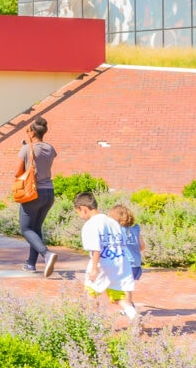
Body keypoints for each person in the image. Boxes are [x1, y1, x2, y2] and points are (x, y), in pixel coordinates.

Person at [74, 192, 139, 324]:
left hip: (102, 263)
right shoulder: (112, 222)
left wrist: (94, 269)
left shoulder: (91, 225)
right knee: (118, 297)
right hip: (119, 261)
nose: (79, 216)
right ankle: (133, 315)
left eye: (78, 212)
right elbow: (122, 243)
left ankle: (95, 323)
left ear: (83, 208)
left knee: (91, 293)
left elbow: (96, 248)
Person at [16, 116, 59, 277]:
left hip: (33, 192)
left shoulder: (27, 149)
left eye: (28, 130)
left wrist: (26, 153)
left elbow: (18, 172)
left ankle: (47, 254)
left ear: (32, 132)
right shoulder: (50, 148)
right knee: (36, 229)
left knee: (26, 228)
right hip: (49, 192)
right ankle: (30, 264)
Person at [110, 204, 145, 310]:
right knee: (128, 287)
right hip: (136, 263)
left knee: (124, 287)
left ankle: (129, 307)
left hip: (124, 263)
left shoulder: (118, 230)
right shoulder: (136, 229)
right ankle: (128, 306)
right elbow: (142, 246)